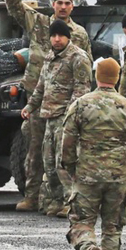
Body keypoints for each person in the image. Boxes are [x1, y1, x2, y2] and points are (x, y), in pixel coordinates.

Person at [5, 0, 91, 213]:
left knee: (63, 153)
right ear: (52, 5)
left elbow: (86, 70)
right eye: (59, 3)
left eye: (67, 3)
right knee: (35, 149)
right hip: (39, 97)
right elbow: (13, 6)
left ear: (72, 6)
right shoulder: (40, 24)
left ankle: (61, 199)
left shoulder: (79, 35)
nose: (62, 7)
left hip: (66, 104)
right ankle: (33, 195)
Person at [61, 57, 126, 250]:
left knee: (81, 222)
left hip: (87, 174)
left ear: (96, 77)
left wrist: (71, 167)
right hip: (118, 175)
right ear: (117, 78)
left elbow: (67, 141)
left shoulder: (81, 105)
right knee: (113, 227)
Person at [21, 20, 92, 218]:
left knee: (65, 163)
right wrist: (30, 106)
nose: (57, 39)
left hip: (65, 118)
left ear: (68, 37)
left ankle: (72, 203)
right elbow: (41, 87)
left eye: (60, 35)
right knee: (49, 163)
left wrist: (70, 115)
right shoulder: (50, 57)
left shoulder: (78, 57)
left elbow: (82, 89)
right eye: (53, 36)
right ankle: (55, 201)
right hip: (48, 117)